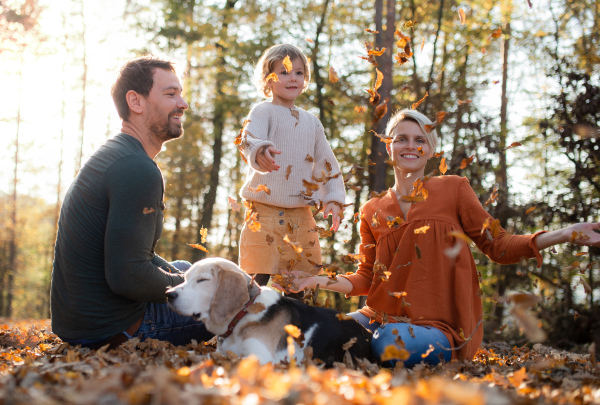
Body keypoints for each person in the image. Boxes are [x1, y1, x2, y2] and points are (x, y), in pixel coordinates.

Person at [278, 108, 600, 367]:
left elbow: (498, 245)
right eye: (401, 138)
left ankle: (364, 350)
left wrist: (564, 234)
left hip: (440, 329)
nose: (410, 146)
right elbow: (366, 278)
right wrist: (316, 281)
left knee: (390, 342)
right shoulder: (372, 209)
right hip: (377, 316)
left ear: (430, 149)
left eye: (420, 139)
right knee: (315, 329)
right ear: (388, 145)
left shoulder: (454, 189)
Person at [51, 56, 213, 349]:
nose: (183, 103)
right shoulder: (136, 168)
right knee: (224, 306)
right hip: (110, 327)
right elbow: (130, 277)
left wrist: (186, 280)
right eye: (170, 94)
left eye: (180, 93)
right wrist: (209, 290)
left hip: (82, 320)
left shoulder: (119, 156)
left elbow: (139, 256)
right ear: (135, 102)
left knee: (186, 267)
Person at [236, 44, 346, 295]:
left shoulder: (311, 122)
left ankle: (296, 330)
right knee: (256, 281)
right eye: (284, 72)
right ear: (268, 79)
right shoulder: (264, 111)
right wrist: (260, 151)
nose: (292, 78)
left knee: (299, 282)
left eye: (298, 72)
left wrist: (333, 198)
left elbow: (326, 162)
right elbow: (248, 139)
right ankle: (243, 324)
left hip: (300, 213)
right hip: (263, 213)